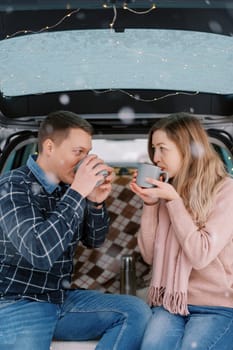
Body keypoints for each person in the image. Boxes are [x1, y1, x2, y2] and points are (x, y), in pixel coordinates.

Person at [0, 110, 151, 350]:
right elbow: (39, 252)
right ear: (49, 147)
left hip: (61, 299)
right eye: (78, 152)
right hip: (21, 302)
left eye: (87, 153)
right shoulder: (12, 187)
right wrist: (78, 192)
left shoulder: (66, 187)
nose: (83, 160)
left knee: (136, 311)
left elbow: (94, 239)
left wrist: (96, 202)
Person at [130, 112, 233, 350]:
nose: (156, 158)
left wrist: (175, 203)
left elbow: (200, 254)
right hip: (169, 304)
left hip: (215, 306)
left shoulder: (226, 190)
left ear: (187, 148)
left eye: (163, 148)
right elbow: (149, 256)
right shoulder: (166, 191)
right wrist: (150, 204)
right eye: (153, 149)